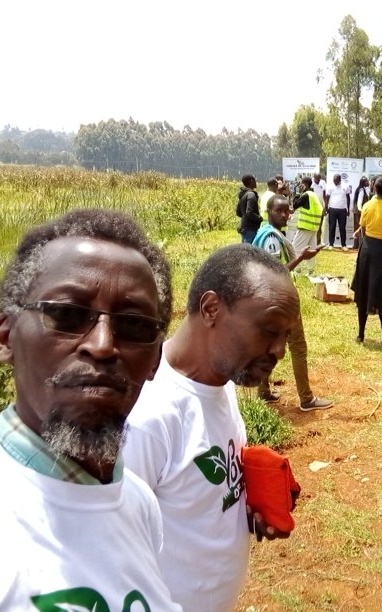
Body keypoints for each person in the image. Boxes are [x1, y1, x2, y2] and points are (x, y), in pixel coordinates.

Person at [0, 209, 180, 611]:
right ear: (5, 337)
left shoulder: (138, 504)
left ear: (154, 360)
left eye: (133, 324)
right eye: (67, 314)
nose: (102, 344)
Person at [123, 244, 301, 611]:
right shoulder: (148, 418)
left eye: (285, 335)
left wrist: (243, 505)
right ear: (211, 309)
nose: (280, 350)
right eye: (269, 330)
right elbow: (111, 557)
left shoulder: (221, 382)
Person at [252, 196, 335, 411]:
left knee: (267, 346)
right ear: (268, 212)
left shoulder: (264, 232)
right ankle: (306, 399)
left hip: (267, 300)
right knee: (298, 347)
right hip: (280, 301)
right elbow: (276, 272)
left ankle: (263, 392)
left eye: (287, 211)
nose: (285, 215)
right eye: (279, 211)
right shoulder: (271, 238)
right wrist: (302, 258)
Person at [352, 176, 382, 347]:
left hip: (367, 251)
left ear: (374, 190)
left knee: (363, 290)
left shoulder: (366, 206)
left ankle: (360, 335)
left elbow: (364, 230)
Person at [291, 176, 324, 274]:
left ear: (304, 185)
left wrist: (297, 193)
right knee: (311, 250)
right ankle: (311, 271)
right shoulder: (313, 195)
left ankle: (297, 270)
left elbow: (295, 205)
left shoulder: (306, 195)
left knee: (295, 248)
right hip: (313, 227)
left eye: (301, 184)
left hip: (305, 226)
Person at [326, 173, 351, 250]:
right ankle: (331, 244)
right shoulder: (330, 186)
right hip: (332, 209)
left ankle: (343, 245)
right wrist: (326, 207)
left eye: (336, 181)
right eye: (334, 181)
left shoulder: (345, 186)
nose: (334, 182)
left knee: (342, 228)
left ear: (340, 180)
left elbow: (348, 198)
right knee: (332, 227)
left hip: (342, 210)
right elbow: (327, 197)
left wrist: (348, 209)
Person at [236, 174, 261, 243]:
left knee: (245, 250)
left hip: (244, 228)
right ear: (251, 181)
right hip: (251, 229)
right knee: (250, 251)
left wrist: (245, 217)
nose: (256, 182)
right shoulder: (251, 195)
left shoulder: (243, 194)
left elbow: (238, 212)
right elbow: (249, 212)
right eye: (254, 179)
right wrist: (259, 218)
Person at [352, 176, 371, 250]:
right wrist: (361, 211)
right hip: (359, 212)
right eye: (366, 181)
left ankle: (356, 245)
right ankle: (359, 245)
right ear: (363, 183)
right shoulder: (361, 190)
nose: (368, 182)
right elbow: (359, 202)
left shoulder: (361, 189)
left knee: (357, 227)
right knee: (360, 227)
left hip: (357, 211)